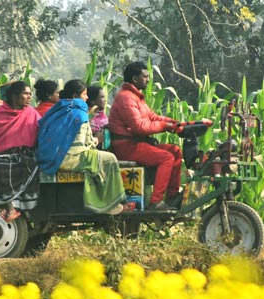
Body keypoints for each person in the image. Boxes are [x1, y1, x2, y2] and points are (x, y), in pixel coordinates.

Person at [37, 79, 126, 215]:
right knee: (110, 158)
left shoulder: (56, 109)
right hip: (71, 158)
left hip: (51, 157)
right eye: (84, 94)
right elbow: (84, 144)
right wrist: (97, 139)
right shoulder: (79, 113)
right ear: (75, 96)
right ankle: (111, 204)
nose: (87, 97)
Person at [108, 61, 182, 211]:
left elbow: (152, 117)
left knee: (175, 150)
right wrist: (164, 127)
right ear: (135, 79)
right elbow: (139, 127)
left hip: (136, 144)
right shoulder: (126, 98)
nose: (148, 80)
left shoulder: (136, 97)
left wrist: (174, 123)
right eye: (145, 77)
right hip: (126, 146)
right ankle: (155, 201)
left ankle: (172, 197)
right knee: (166, 158)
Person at [0, 81, 40, 222]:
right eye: (25, 94)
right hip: (3, 154)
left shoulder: (32, 113)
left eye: (30, 94)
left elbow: (40, 134)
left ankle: (23, 208)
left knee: (29, 164)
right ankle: (9, 207)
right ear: (15, 97)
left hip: (25, 153)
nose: (29, 97)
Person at [87, 85, 109, 149]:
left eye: (104, 97)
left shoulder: (103, 116)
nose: (105, 100)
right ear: (92, 100)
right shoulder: (88, 117)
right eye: (102, 97)